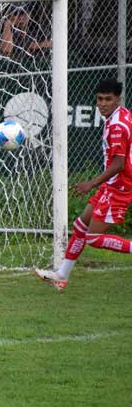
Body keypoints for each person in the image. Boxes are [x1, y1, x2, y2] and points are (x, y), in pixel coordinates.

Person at [36, 79, 132, 289]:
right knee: (80, 225)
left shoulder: (117, 125)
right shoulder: (121, 115)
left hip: (119, 187)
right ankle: (62, 275)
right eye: (100, 99)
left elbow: (118, 164)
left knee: (94, 238)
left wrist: (90, 183)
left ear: (117, 100)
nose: (103, 104)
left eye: (108, 99)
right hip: (112, 185)